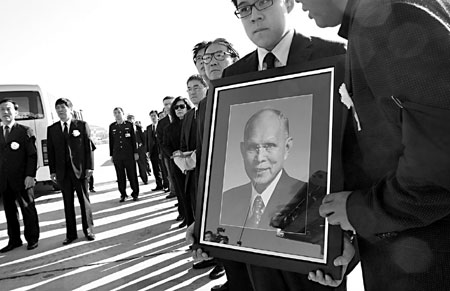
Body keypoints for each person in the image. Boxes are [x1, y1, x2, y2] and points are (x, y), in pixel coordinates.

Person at [192, 1, 348, 289]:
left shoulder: (336, 55)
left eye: (263, 2)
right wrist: (205, 222)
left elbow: (361, 152)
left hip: (319, 247)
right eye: (245, 8)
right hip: (254, 256)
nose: (255, 15)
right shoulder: (234, 76)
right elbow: (220, 159)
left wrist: (351, 238)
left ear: (288, 3)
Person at [295, 0, 450, 290]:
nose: (297, 3)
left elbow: (439, 170)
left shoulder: (390, 17)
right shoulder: (372, 21)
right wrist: (355, 233)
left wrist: (359, 211)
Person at [221, 109, 305, 230]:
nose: (260, 158)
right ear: (242, 150)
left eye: (269, 146)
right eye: (252, 147)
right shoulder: (226, 200)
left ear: (287, 147)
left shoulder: (306, 198)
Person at [47, 98, 95, 245]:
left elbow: (88, 148)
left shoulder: (81, 125)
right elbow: (51, 152)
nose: (60, 110)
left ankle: (88, 230)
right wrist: (53, 171)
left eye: (63, 107)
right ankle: (71, 234)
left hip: (80, 171)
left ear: (70, 109)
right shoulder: (52, 129)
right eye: (57, 108)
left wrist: (90, 167)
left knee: (84, 201)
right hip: (63, 173)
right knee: (67, 203)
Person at [0, 99, 39, 252]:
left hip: (23, 179)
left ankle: (32, 238)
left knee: (27, 209)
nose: (5, 112)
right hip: (4, 180)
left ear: (15, 112)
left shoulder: (24, 131)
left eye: (8, 109)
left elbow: (32, 156)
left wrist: (30, 175)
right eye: (2, 109)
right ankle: (14, 240)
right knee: (9, 212)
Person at [180, 74, 208, 226]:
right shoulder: (189, 115)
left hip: (208, 169)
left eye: (196, 87)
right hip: (192, 172)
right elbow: (184, 144)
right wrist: (182, 159)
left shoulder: (212, 108)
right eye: (189, 89)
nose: (192, 92)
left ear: (206, 88)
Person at [162, 97, 194, 228]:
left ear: (187, 107)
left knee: (195, 193)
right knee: (182, 194)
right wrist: (174, 154)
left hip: (194, 163)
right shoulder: (169, 128)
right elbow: (164, 145)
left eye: (182, 106)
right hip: (177, 164)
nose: (179, 109)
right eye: (176, 107)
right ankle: (188, 219)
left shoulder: (195, 123)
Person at [109, 107, 139, 202]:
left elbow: (134, 140)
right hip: (117, 155)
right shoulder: (112, 126)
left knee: (132, 175)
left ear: (123, 113)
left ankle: (135, 193)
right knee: (120, 176)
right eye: (115, 113)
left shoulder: (129, 125)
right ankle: (123, 194)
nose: (117, 114)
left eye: (119, 112)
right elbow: (111, 141)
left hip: (129, 155)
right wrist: (111, 155)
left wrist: (135, 152)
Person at [156, 96, 177, 198]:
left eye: (170, 103)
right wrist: (171, 154)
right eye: (165, 104)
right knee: (171, 175)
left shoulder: (183, 117)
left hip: (184, 154)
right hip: (169, 155)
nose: (168, 106)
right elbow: (161, 141)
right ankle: (175, 193)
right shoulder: (161, 123)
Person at [127, 114, 149, 185]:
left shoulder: (138, 128)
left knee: (142, 165)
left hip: (140, 150)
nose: (130, 120)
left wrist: (142, 146)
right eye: (129, 119)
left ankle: (144, 179)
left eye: (131, 119)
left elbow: (144, 138)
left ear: (134, 120)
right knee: (131, 167)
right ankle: (133, 181)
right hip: (130, 151)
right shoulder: (126, 129)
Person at [146, 110, 164, 191]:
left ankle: (166, 184)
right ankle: (159, 185)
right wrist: (147, 151)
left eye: (154, 116)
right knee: (155, 169)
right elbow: (147, 140)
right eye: (151, 116)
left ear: (157, 116)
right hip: (153, 151)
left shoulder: (161, 125)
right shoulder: (149, 127)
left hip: (160, 150)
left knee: (163, 168)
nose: (153, 117)